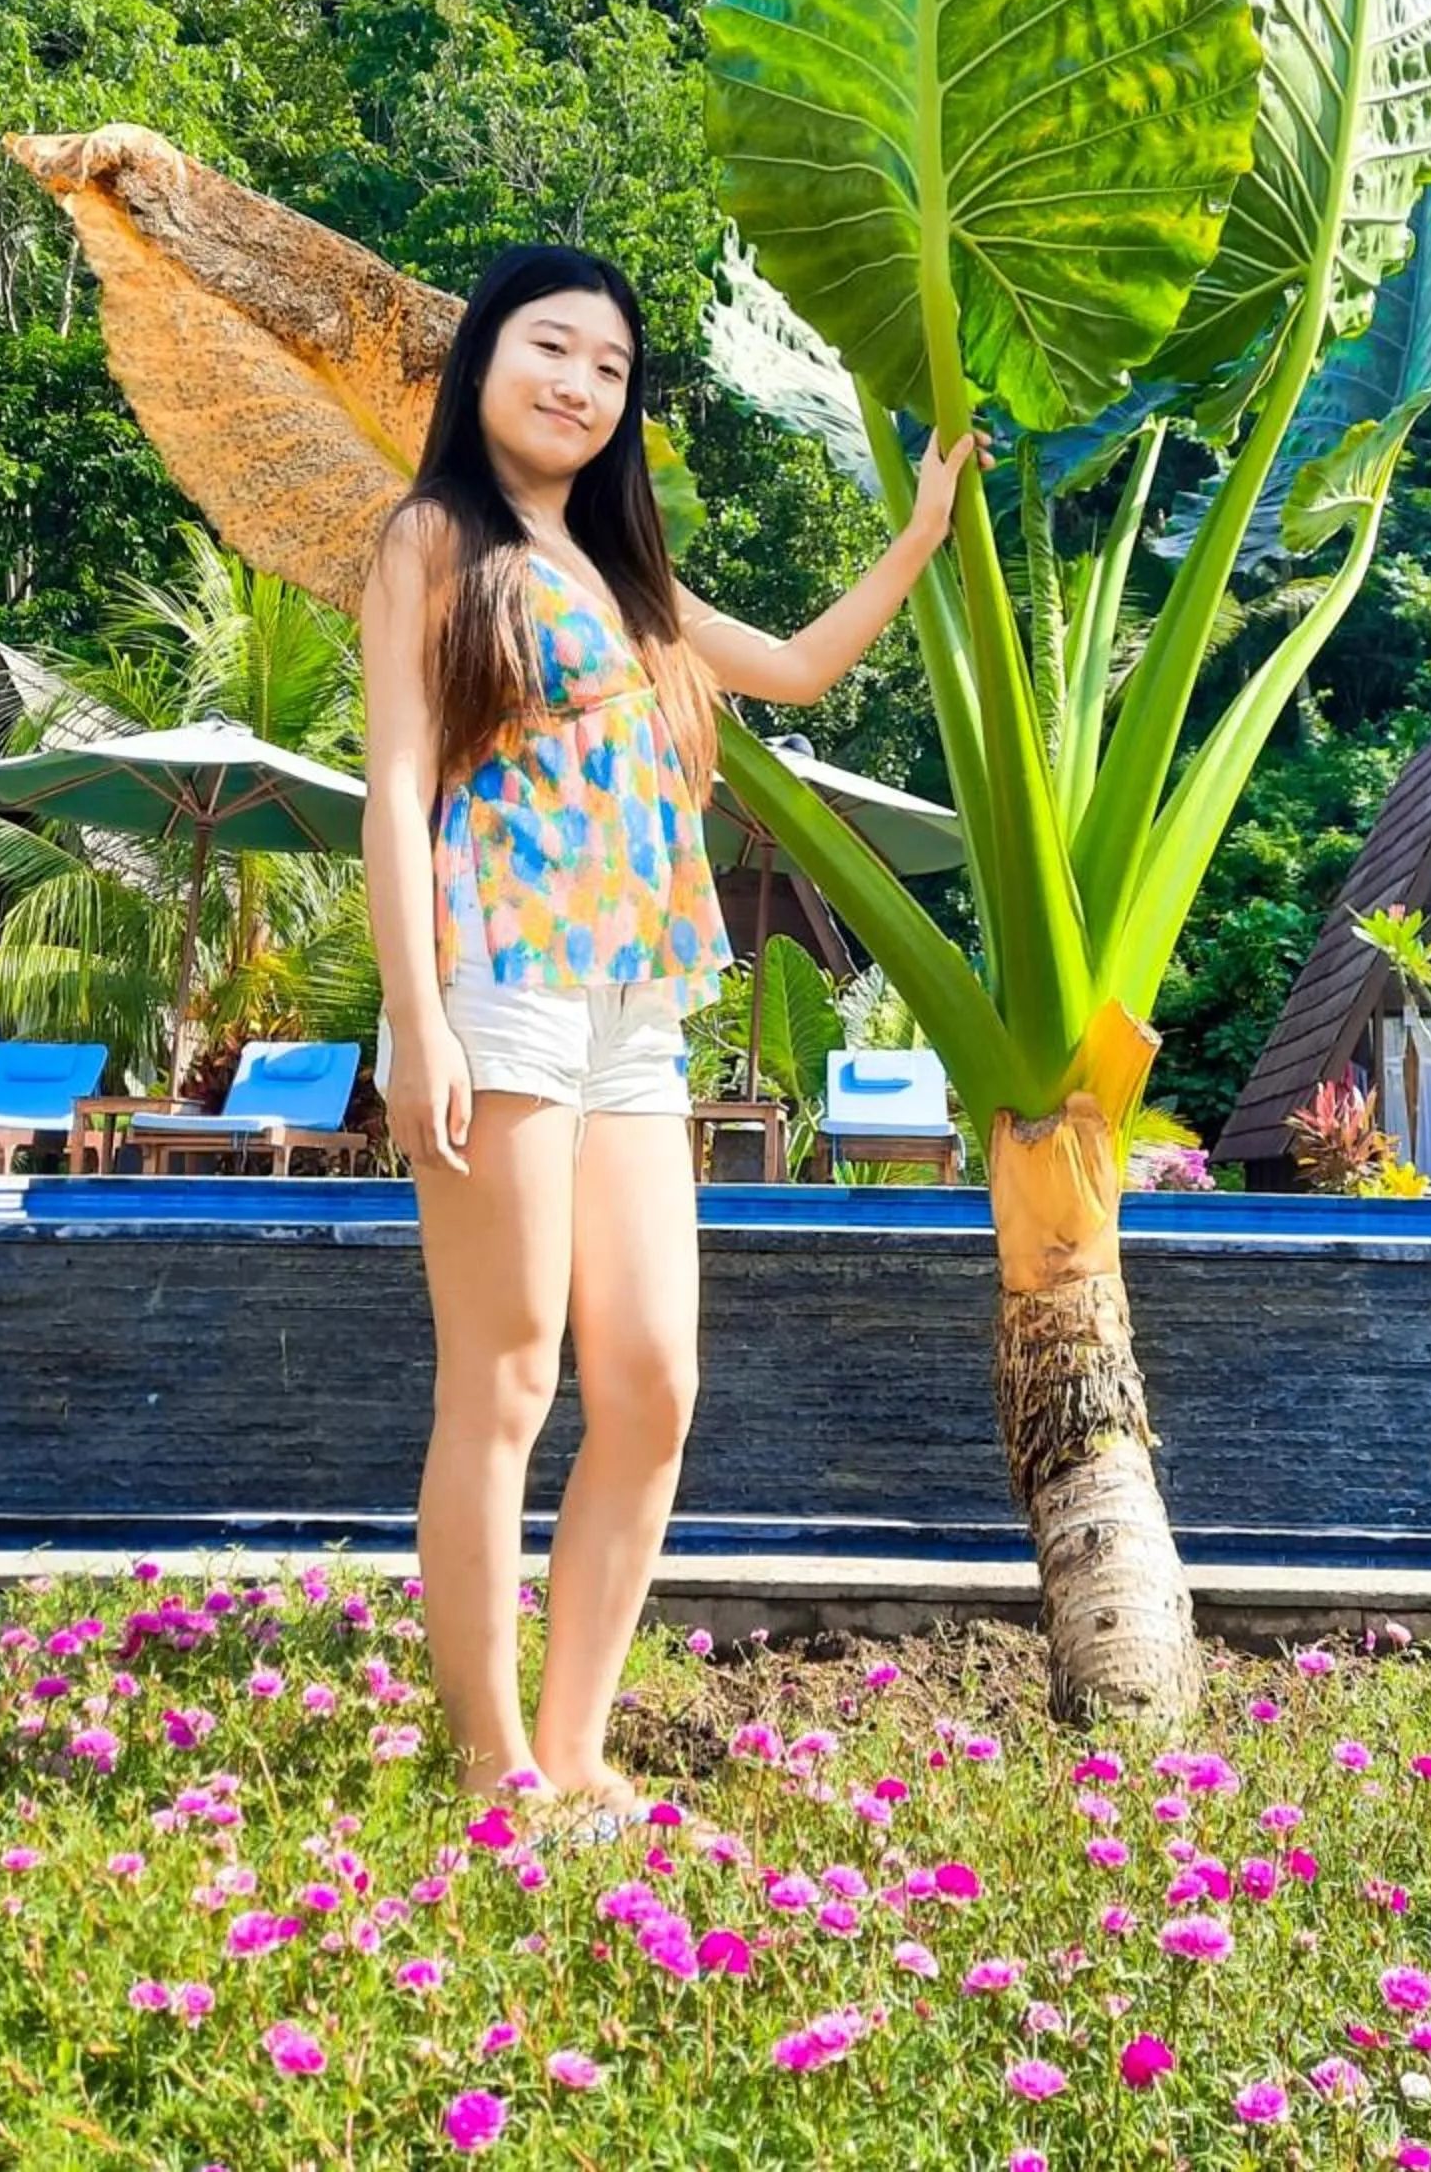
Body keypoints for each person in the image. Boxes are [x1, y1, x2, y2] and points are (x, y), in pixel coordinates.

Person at [359, 242, 977, 1836]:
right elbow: (396, 789)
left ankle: (574, 1751)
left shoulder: (622, 573)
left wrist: (915, 535)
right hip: (494, 983)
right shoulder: (433, 539)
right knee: (501, 1380)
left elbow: (794, 670)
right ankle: (495, 1767)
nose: (576, 383)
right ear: (484, 359)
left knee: (650, 1381)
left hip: (633, 1000)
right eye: (549, 348)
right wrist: (416, 1023)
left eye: (609, 367)